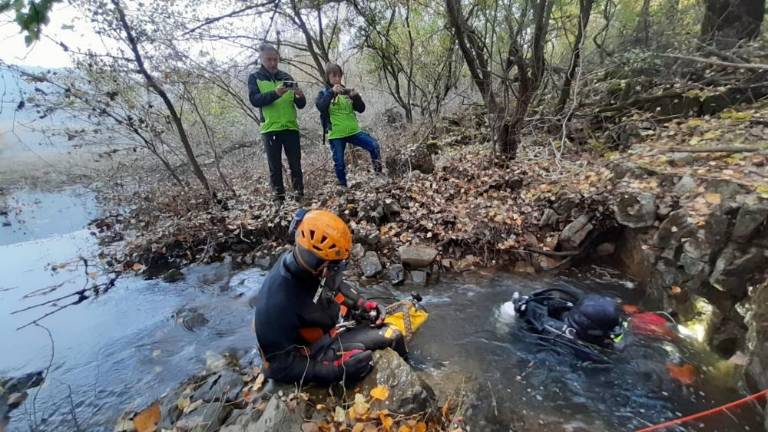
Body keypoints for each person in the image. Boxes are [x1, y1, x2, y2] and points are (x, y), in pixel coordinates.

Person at [251, 209, 406, 385]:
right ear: (317, 262)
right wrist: (334, 371)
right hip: (311, 352)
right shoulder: (276, 304)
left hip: (326, 327)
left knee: (390, 333)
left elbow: (334, 286)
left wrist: (361, 304)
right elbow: (277, 366)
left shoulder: (313, 269)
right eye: (336, 265)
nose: (339, 268)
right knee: (384, 341)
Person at [248, 44, 306, 203]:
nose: (273, 63)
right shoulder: (255, 78)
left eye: (275, 59)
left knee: (295, 164)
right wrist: (275, 93)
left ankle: (299, 196)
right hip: (270, 129)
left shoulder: (287, 77)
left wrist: (300, 95)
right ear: (261, 59)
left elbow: (301, 105)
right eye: (269, 60)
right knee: (275, 168)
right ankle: (279, 200)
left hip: (290, 127)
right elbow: (255, 100)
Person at [315, 63, 383, 189]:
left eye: (339, 76)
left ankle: (379, 175)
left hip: (354, 131)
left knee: (374, 146)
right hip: (336, 134)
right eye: (333, 76)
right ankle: (343, 186)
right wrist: (331, 93)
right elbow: (321, 107)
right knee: (339, 162)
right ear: (328, 77)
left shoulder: (346, 92)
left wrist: (356, 97)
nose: (337, 79)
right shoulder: (323, 93)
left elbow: (361, 109)